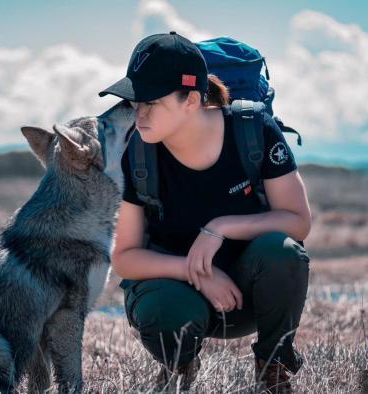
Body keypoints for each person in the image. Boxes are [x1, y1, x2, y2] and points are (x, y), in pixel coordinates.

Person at [99, 32, 311, 393]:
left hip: (247, 295)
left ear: (191, 100)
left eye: (152, 102)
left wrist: (220, 227)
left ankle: (272, 366)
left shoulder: (252, 130)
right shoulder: (137, 154)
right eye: (136, 101)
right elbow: (125, 257)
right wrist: (196, 272)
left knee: (284, 253)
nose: (141, 114)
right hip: (179, 295)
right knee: (163, 310)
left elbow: (298, 221)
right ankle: (180, 365)